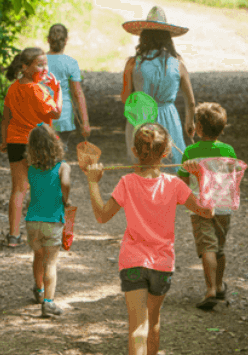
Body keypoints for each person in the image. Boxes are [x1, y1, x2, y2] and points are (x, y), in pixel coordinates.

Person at [85, 123, 213, 355]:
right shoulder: (175, 184)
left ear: (134, 151)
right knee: (152, 321)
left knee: (137, 327)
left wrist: (93, 182)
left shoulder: (127, 182)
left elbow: (102, 216)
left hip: (133, 263)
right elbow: (207, 211)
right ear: (166, 153)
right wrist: (201, 177)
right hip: (162, 265)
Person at [177, 102, 237, 310]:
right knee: (219, 248)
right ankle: (219, 286)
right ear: (222, 128)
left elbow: (182, 182)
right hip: (224, 205)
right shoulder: (228, 150)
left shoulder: (190, 152)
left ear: (199, 128)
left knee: (207, 247)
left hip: (200, 206)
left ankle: (210, 289)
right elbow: (232, 176)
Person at [0, 47, 62, 247]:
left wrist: (4, 141)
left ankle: (14, 235)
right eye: (39, 64)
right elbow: (56, 113)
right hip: (38, 144)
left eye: (45, 64)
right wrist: (58, 90)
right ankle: (43, 234)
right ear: (25, 67)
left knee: (18, 189)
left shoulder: (13, 88)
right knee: (42, 187)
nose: (44, 68)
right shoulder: (38, 90)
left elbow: (6, 119)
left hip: (15, 142)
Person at [121, 6, 195, 170]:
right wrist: (190, 121)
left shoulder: (133, 63)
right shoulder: (178, 63)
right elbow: (190, 100)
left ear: (143, 36)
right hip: (169, 116)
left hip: (141, 119)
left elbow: (126, 98)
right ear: (168, 37)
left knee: (143, 167)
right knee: (172, 163)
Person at [24, 123, 71, 317]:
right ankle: (48, 302)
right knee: (50, 263)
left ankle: (38, 289)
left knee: (38, 256)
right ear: (55, 144)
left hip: (32, 221)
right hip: (52, 221)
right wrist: (65, 199)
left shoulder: (30, 169)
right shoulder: (62, 167)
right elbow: (66, 183)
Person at [46, 23, 91, 154]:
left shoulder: (39, 61)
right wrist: (85, 122)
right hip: (63, 116)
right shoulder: (71, 63)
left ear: (48, 39)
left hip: (40, 116)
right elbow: (78, 94)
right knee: (60, 154)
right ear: (66, 41)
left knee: (40, 156)